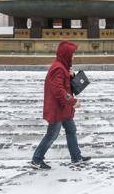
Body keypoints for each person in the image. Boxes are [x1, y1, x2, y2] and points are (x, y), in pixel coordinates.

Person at [31, 41, 91, 170]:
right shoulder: (58, 68)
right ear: (66, 55)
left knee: (71, 130)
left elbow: (64, 85)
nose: (73, 57)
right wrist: (73, 101)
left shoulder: (62, 67)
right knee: (52, 134)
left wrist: (72, 76)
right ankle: (36, 159)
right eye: (72, 54)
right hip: (57, 109)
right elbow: (58, 91)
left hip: (63, 108)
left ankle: (76, 157)